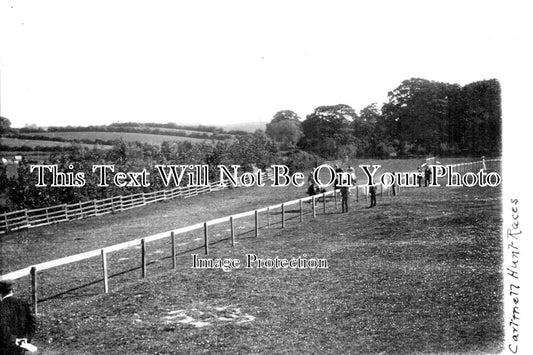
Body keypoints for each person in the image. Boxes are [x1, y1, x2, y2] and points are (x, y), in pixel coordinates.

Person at [0, 280, 37, 355]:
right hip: (21, 347)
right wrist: (26, 338)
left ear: (1, 293)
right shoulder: (23, 303)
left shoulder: (1, 306)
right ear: (13, 290)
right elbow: (32, 323)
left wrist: (14, 340)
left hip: (5, 348)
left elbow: (2, 329)